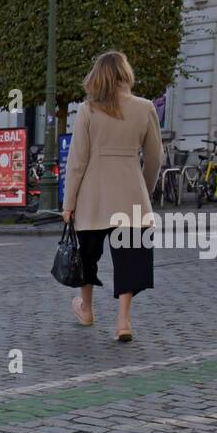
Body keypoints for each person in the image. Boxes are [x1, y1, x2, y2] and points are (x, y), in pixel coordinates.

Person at [61, 50, 162, 343]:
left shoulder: (87, 111)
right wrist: (144, 188)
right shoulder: (145, 108)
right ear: (125, 74)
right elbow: (155, 157)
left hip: (92, 197)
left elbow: (77, 161)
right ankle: (123, 320)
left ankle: (87, 309)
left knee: (87, 257)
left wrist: (69, 204)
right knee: (131, 259)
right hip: (130, 195)